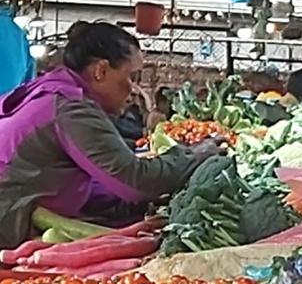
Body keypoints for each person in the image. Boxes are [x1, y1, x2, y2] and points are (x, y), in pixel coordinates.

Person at [0, 23, 216, 249]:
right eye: (132, 76)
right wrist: (193, 156)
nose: (134, 89)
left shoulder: (51, 90)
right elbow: (136, 181)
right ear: (100, 71)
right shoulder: (72, 109)